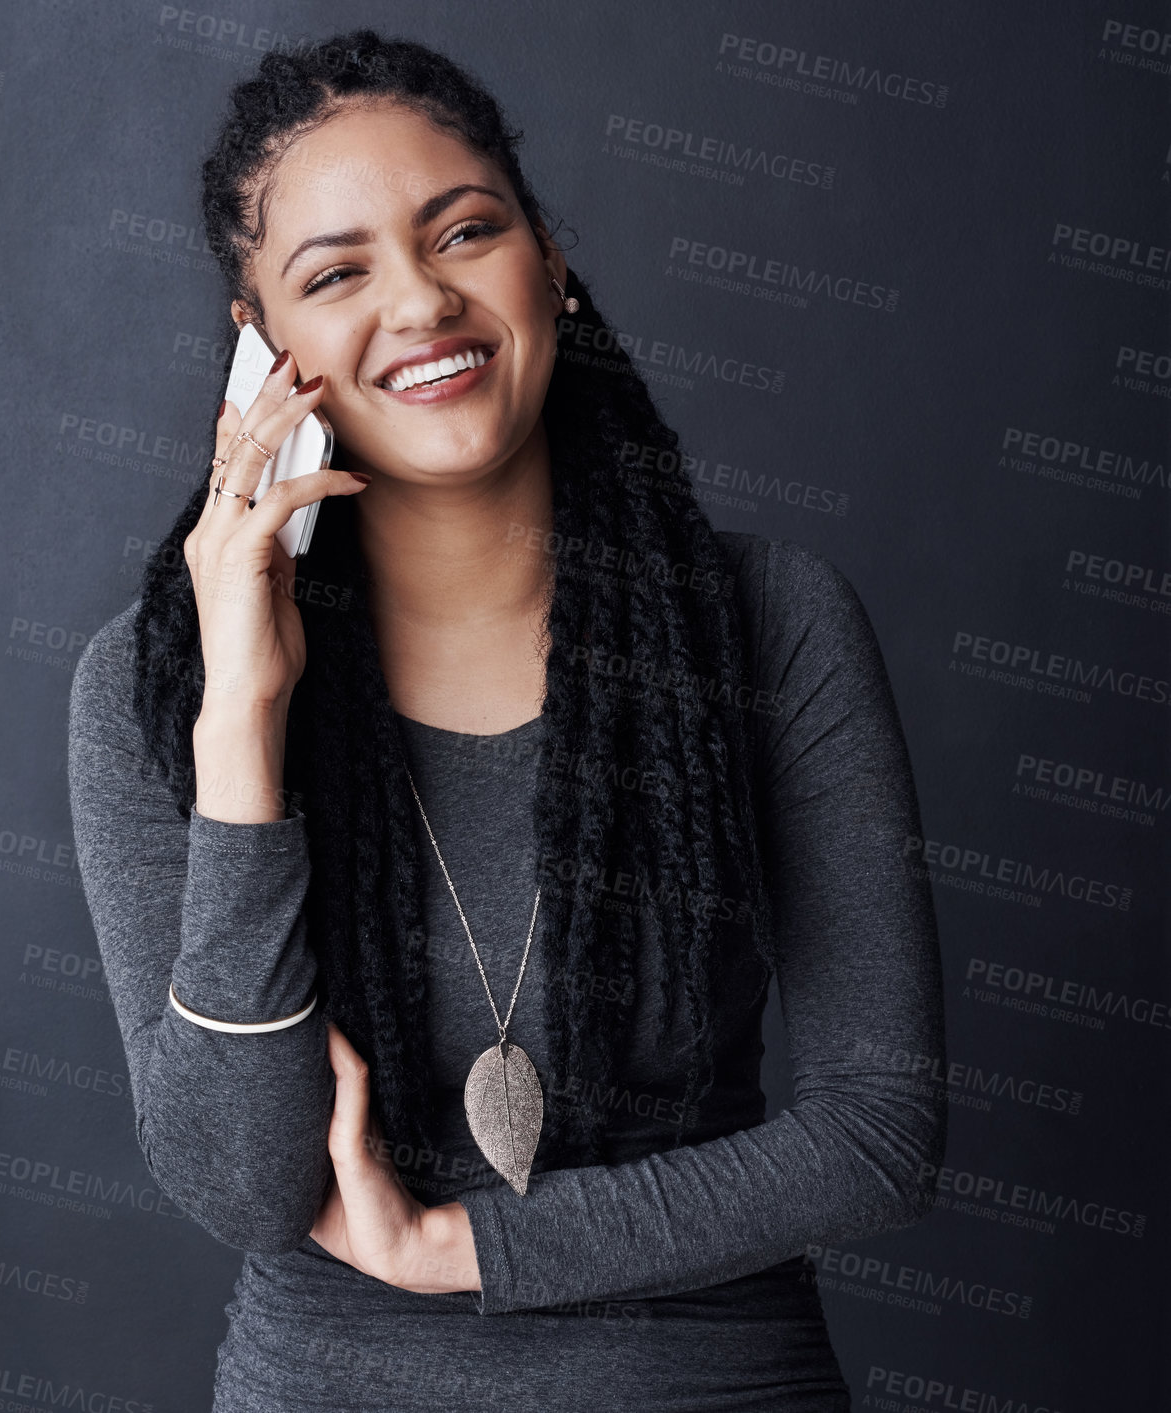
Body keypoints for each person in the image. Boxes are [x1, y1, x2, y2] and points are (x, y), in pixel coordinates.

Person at [67, 27, 947, 1412]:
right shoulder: (158, 687)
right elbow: (242, 1180)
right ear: (262, 350)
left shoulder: (766, 621)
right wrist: (243, 719)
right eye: (336, 273)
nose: (419, 301)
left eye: (463, 231)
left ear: (547, 258)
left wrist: (454, 1246)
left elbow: (878, 1134)